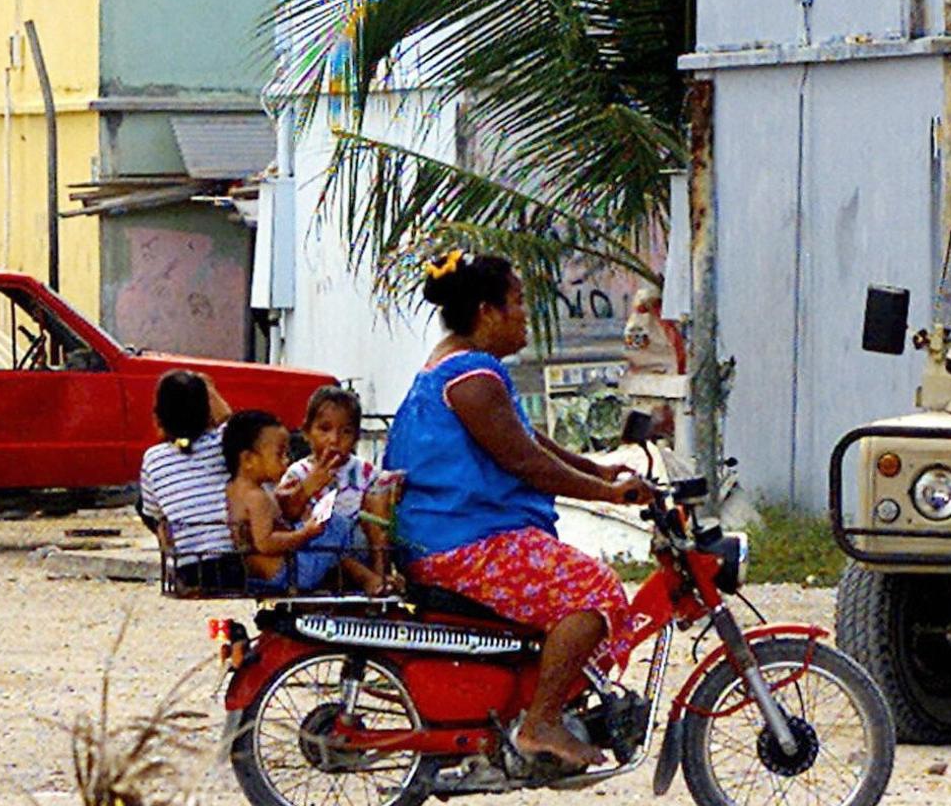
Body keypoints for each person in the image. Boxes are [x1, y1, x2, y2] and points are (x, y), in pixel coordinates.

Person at [382, 251, 654, 770]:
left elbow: (530, 441)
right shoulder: (472, 377)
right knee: (593, 590)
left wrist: (600, 471)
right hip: (463, 543)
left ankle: (533, 704)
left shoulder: (457, 367)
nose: (526, 313)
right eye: (518, 302)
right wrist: (606, 495)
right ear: (487, 311)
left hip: (453, 536)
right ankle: (541, 723)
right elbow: (526, 461)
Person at [225, 409, 384, 594]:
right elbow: (265, 543)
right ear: (248, 460)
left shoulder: (235, 489)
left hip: (269, 574)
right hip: (291, 573)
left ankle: (364, 578)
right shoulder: (256, 496)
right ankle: (368, 576)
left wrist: (280, 500)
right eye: (280, 454)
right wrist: (305, 533)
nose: (286, 461)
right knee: (334, 524)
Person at [276, 386, 397, 585]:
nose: (334, 440)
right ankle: (368, 580)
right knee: (310, 528)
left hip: (357, 544)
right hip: (317, 550)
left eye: (346, 432)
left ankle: (381, 575)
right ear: (306, 432)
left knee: (378, 505)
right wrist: (308, 487)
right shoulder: (298, 472)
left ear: (357, 437)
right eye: (324, 429)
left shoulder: (364, 471)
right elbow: (288, 513)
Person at [139, 369, 245, 592]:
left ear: (157, 418)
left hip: (189, 570)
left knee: (147, 506)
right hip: (235, 564)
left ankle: (173, 562)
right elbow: (234, 421)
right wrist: (210, 389)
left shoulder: (152, 459)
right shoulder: (223, 443)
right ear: (208, 414)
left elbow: (155, 514)